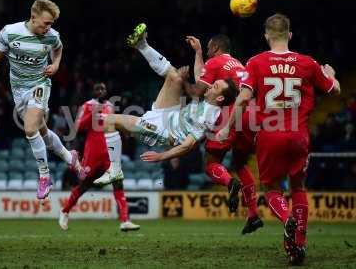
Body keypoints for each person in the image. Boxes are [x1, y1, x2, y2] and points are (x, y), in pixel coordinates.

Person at [218, 13, 340, 265]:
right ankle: (300, 244)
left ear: (266, 36)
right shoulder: (308, 63)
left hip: (269, 135)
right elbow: (334, 89)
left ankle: (287, 220)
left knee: (272, 189)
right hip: (298, 136)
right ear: (290, 35)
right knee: (298, 188)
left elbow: (241, 98)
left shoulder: (256, 62)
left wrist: (226, 128)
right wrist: (332, 73)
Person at [93, 24, 240, 212]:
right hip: (170, 115)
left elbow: (188, 145)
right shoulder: (209, 100)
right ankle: (142, 45)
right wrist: (198, 53)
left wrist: (162, 156)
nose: (210, 86)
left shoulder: (208, 116)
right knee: (175, 76)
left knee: (109, 120)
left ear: (219, 97)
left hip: (163, 131)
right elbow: (200, 76)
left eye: (215, 86)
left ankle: (114, 170)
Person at [0, 0, 80, 200]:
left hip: (40, 84)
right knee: (42, 131)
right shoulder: (9, 33)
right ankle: (68, 156)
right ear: (33, 17)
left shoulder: (52, 36)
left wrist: (55, 65)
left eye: (52, 24)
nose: (49, 28)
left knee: (30, 129)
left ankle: (45, 176)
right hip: (18, 90)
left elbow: (58, 49)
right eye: (46, 23)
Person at [183, 34, 262, 234]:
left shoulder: (215, 62)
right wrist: (198, 52)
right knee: (241, 163)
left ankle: (229, 182)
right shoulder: (237, 64)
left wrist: (178, 80)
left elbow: (197, 90)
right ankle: (253, 215)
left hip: (231, 113)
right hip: (253, 114)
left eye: (209, 48)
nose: (208, 51)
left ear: (216, 47)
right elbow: (203, 76)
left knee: (210, 163)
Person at [59, 82, 140, 232]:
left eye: (103, 88)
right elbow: (78, 127)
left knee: (118, 182)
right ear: (93, 92)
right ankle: (64, 211)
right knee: (84, 185)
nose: (101, 91)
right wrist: (93, 113)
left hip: (109, 153)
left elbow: (115, 124)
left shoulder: (110, 106)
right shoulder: (87, 106)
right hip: (93, 153)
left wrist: (126, 131)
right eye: (98, 89)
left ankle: (125, 220)